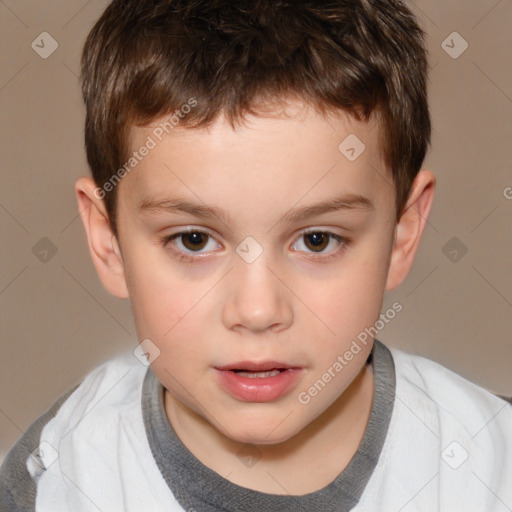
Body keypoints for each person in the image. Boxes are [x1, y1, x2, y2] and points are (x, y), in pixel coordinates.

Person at [1, 1, 511, 510]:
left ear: (403, 233)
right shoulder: (60, 471)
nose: (258, 310)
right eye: (194, 240)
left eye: (317, 240)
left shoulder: (491, 463)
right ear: (108, 240)